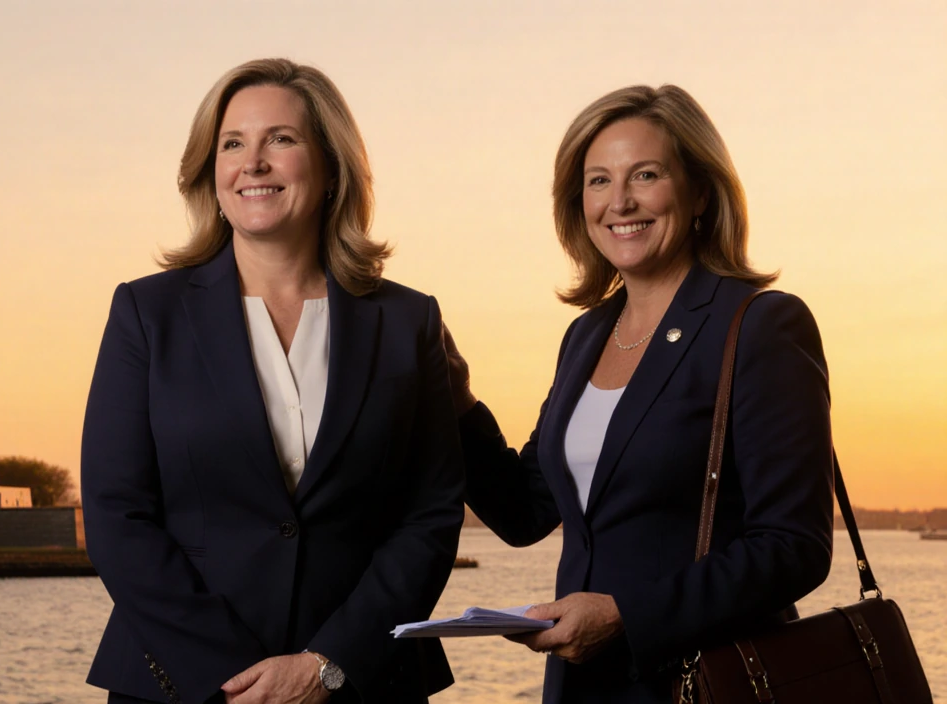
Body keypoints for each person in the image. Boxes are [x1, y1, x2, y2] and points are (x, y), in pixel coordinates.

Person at [81, 58, 464, 704]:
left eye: (280, 140)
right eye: (233, 144)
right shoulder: (147, 314)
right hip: (181, 686)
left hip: (363, 683)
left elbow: (429, 514)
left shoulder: (407, 320)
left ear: (331, 163)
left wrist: (326, 664)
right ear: (211, 168)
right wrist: (231, 677)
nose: (252, 163)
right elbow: (118, 516)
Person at [444, 85, 834, 703]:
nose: (619, 201)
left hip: (705, 685)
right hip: (582, 688)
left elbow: (795, 548)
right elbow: (525, 513)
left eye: (645, 175)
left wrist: (627, 614)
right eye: (598, 181)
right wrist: (457, 398)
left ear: (700, 190)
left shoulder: (761, 325)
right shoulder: (586, 336)